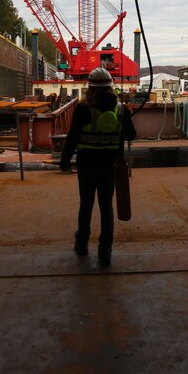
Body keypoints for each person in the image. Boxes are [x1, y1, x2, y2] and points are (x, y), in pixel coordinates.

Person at [59, 67, 136, 267]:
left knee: (86, 205)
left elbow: (73, 137)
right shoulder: (121, 109)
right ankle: (105, 252)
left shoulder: (83, 109)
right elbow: (131, 136)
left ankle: (82, 243)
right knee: (106, 206)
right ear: (111, 87)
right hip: (109, 165)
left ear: (90, 88)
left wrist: (65, 161)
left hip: (86, 164)